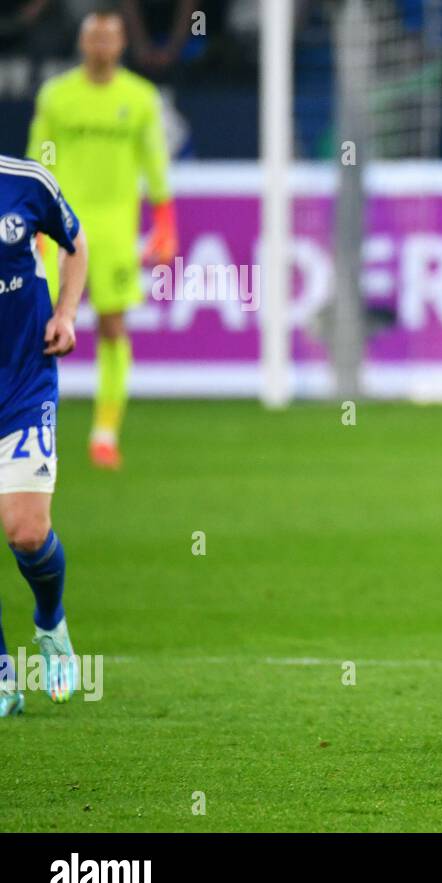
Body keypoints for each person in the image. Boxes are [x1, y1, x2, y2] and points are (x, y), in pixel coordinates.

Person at [27, 9, 178, 470]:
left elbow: (154, 161)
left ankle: (105, 432)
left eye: (109, 37)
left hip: (114, 230)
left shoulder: (140, 98)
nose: (100, 45)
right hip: (59, 226)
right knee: (36, 327)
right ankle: (30, 427)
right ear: (82, 42)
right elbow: (40, 153)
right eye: (93, 37)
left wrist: (165, 218)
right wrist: (33, 217)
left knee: (112, 326)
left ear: (121, 45)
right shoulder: (57, 96)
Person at [0, 155, 89, 717]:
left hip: (25, 380)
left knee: (27, 531)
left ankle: (50, 622)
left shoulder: (27, 182)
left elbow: (74, 243)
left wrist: (65, 312)